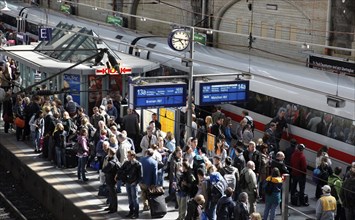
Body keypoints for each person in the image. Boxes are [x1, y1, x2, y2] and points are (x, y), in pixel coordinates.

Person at [120, 150, 142, 219]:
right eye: (127, 156)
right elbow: (121, 169)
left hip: (133, 183)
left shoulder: (138, 164)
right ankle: (131, 211)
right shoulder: (127, 163)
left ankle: (136, 213)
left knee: (134, 198)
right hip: (128, 182)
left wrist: (135, 182)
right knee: (130, 198)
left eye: (128, 156)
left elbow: (140, 176)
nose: (127, 157)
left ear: (133, 156)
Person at [102, 147, 119, 214]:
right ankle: (111, 206)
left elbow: (105, 169)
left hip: (111, 179)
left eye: (108, 152)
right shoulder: (113, 159)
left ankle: (113, 208)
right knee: (111, 194)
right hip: (110, 179)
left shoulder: (111, 162)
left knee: (113, 194)